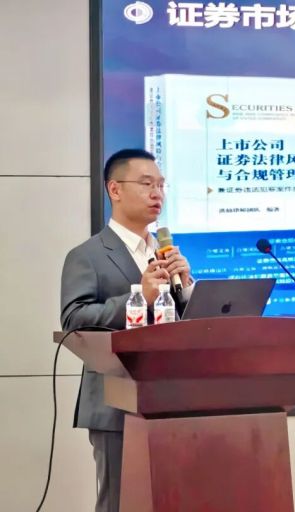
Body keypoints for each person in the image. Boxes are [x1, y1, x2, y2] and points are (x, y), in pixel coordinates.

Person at [60, 148, 192, 512]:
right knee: (121, 503)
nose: (157, 193)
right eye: (146, 184)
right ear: (115, 189)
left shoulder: (164, 252)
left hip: (172, 398)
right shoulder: (87, 255)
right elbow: (74, 320)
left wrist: (186, 287)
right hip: (116, 403)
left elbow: (181, 324)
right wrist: (139, 297)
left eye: (161, 185)